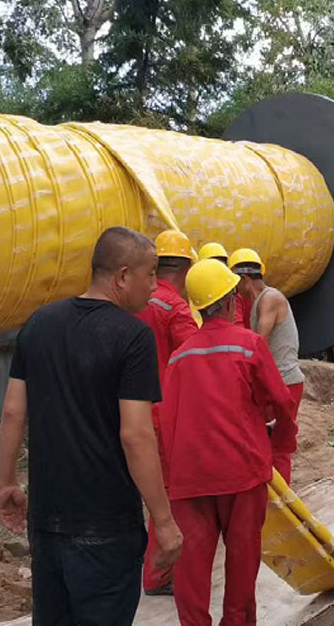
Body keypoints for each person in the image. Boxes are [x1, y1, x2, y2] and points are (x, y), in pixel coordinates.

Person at [0, 226, 183, 626]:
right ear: (121, 276)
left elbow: (13, 411)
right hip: (107, 530)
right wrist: (164, 522)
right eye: (150, 273)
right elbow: (135, 435)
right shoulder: (133, 337)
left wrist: (7, 482)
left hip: (46, 524)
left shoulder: (39, 324)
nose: (155, 285)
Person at [160, 259, 297, 626]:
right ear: (231, 300)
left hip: (191, 480)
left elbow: (166, 420)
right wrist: (281, 442)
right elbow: (281, 401)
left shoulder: (180, 357)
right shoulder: (248, 345)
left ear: (200, 307)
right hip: (241, 473)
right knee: (241, 561)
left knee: (192, 567)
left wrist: (170, 479)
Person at [135, 229, 199, 596]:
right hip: (161, 417)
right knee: (167, 497)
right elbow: (195, 360)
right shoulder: (174, 308)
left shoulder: (131, 300)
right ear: (187, 268)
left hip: (124, 412)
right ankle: (158, 576)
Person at [230, 248, 305, 485]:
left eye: (235, 284)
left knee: (279, 446)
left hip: (285, 382)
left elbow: (257, 342)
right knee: (267, 442)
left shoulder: (270, 299)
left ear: (244, 279)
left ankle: (284, 505)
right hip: (277, 383)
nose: (235, 291)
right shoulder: (259, 302)